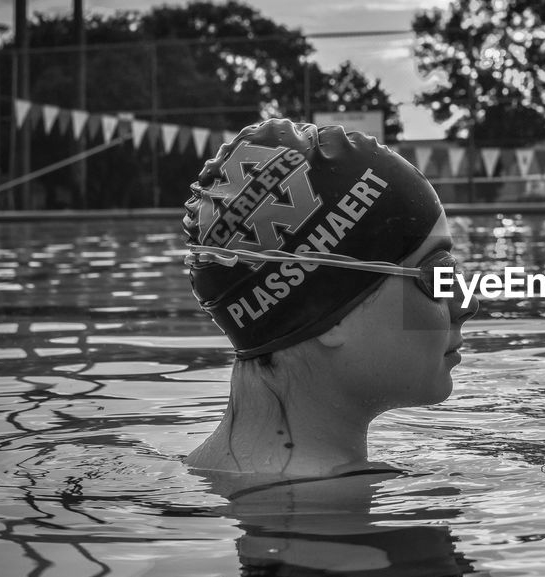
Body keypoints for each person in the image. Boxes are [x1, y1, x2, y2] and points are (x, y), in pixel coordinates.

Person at [182, 118, 479, 483]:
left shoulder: (190, 475)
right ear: (328, 314)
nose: (466, 303)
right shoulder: (338, 507)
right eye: (438, 275)